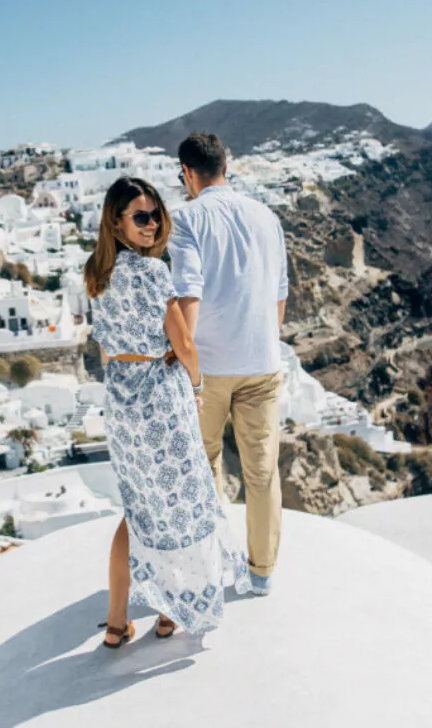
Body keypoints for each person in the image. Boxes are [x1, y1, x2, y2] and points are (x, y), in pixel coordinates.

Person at [85, 176, 249, 648]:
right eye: (141, 216)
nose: (153, 224)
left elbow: (105, 347)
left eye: (156, 214)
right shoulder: (155, 274)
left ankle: (116, 625)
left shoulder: (95, 276)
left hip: (121, 403)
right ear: (115, 224)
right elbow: (185, 344)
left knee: (138, 511)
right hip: (161, 399)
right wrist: (196, 385)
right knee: (181, 508)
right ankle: (168, 614)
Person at [169, 132, 288, 596]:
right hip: (263, 363)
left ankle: (214, 564)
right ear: (227, 164)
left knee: (205, 465)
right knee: (261, 472)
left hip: (211, 370)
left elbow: (189, 296)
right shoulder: (266, 216)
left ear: (188, 173)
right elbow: (279, 299)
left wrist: (185, 362)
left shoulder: (186, 219)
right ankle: (261, 574)